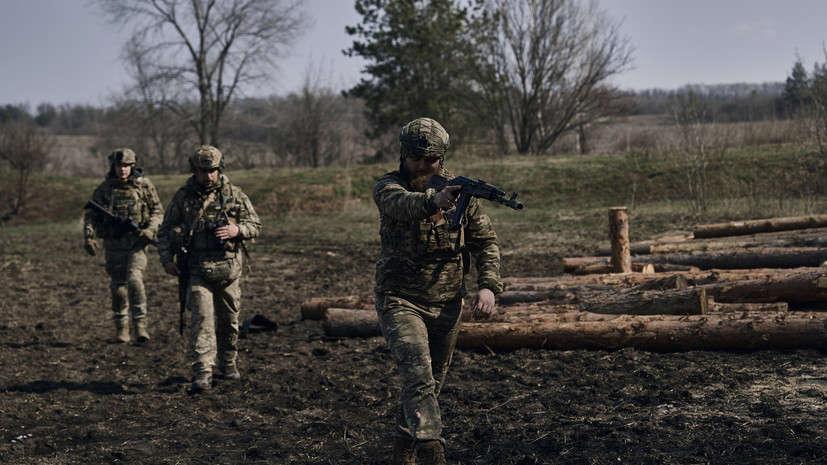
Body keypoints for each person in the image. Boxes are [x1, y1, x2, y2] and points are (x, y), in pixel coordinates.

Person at [373, 117, 503, 465]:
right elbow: (402, 205)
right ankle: (432, 452)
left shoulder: (463, 193)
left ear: (441, 158)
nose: (421, 165)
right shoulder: (388, 187)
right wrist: (435, 200)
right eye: (415, 158)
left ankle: (404, 450)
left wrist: (488, 286)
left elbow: (485, 243)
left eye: (429, 159)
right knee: (418, 378)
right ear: (403, 155)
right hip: (400, 300)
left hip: (447, 304)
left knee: (427, 385)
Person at [156, 145, 261, 392]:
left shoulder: (235, 194)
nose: (209, 176)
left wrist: (238, 230)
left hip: (229, 270)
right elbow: (163, 231)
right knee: (202, 319)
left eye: (213, 170)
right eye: (203, 171)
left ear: (219, 169)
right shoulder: (183, 197)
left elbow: (255, 224)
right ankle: (203, 370)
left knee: (230, 321)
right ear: (195, 171)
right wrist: (166, 260)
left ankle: (228, 362)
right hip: (197, 269)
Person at [84, 148, 163, 344]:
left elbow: (158, 211)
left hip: (137, 244)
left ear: (132, 166)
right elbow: (91, 215)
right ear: (114, 166)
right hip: (113, 245)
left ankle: (140, 325)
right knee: (119, 288)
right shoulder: (105, 189)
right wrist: (89, 237)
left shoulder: (143, 186)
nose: (123, 170)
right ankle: (122, 327)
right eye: (119, 166)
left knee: (135, 279)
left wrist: (151, 230)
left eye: (127, 166)